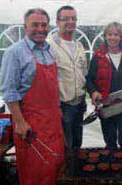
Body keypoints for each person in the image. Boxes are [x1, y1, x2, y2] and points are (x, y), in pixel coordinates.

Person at [0, 8, 65, 185]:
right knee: (35, 173)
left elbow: (53, 87)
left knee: (55, 167)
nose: (40, 28)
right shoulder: (15, 52)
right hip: (31, 125)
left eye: (44, 25)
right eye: (35, 24)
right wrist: (20, 122)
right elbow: (9, 91)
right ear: (25, 26)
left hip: (53, 123)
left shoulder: (49, 50)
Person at [86, 22, 122, 149]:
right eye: (109, 34)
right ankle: (111, 164)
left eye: (116, 34)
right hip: (106, 105)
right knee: (110, 142)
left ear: (121, 37)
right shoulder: (98, 56)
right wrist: (93, 92)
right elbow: (89, 80)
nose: (112, 38)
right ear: (105, 36)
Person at [47, 5, 87, 150]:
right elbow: (48, 80)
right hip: (63, 105)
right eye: (66, 19)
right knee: (65, 146)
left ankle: (74, 171)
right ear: (57, 22)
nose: (71, 22)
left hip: (79, 104)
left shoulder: (79, 46)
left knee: (77, 144)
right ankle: (66, 172)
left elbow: (84, 74)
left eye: (73, 18)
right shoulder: (50, 46)